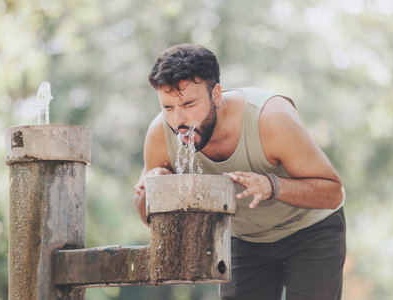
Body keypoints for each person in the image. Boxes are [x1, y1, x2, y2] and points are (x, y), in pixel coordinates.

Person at [134, 43, 346, 300]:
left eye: (189, 104)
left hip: (310, 232)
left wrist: (272, 186)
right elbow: (146, 213)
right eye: (168, 107)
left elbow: (333, 192)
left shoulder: (270, 119)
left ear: (215, 95)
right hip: (245, 239)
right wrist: (153, 190)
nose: (179, 120)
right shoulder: (160, 134)